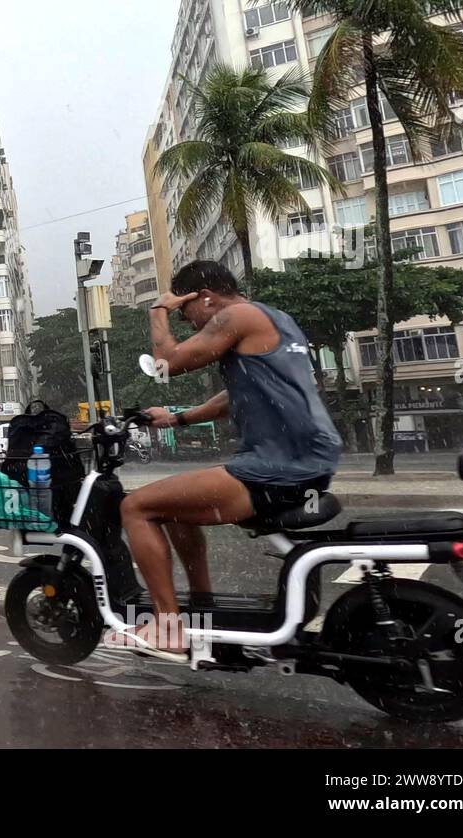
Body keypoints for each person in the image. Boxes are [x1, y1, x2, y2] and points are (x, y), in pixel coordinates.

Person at [106, 260, 341, 661]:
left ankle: (167, 628)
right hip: (308, 459)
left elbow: (167, 364)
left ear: (205, 297)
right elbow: (239, 396)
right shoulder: (275, 318)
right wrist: (179, 418)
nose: (189, 321)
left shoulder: (237, 316)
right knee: (174, 508)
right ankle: (201, 605)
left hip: (278, 465)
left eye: (187, 310)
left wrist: (158, 311)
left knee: (136, 507)